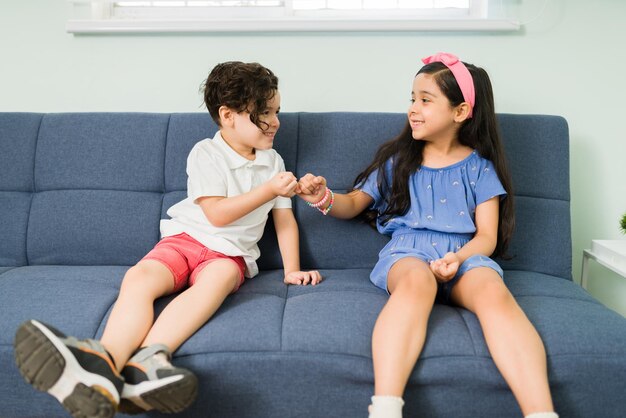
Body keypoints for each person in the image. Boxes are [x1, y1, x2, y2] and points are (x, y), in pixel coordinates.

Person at [14, 61, 322, 418]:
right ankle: (104, 361)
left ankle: (149, 360)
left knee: (217, 281)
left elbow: (283, 219)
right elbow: (217, 213)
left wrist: (292, 270)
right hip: (186, 239)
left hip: (229, 255)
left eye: (277, 111)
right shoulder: (206, 153)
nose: (276, 122)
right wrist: (269, 189)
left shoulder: (274, 162)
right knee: (140, 278)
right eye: (265, 113)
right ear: (228, 116)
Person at [296, 53, 557, 418]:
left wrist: (459, 259)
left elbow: (486, 237)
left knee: (493, 291)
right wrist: (322, 198)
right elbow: (354, 203)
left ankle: (541, 412)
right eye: (412, 98)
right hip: (409, 253)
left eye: (425, 100)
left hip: (465, 255)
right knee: (417, 283)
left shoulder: (480, 168)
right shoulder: (398, 160)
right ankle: (386, 407)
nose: (413, 109)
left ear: (460, 112)